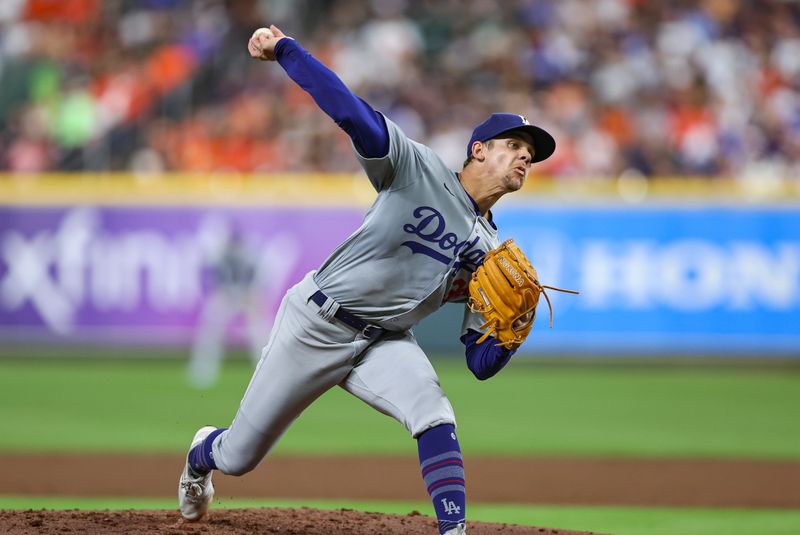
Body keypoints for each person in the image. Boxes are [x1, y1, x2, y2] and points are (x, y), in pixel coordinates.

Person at [178, 25, 556, 535]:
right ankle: (202, 454)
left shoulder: (492, 255)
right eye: (514, 145)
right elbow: (348, 110)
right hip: (316, 322)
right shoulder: (415, 167)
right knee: (240, 455)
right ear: (479, 150)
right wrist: (286, 50)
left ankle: (454, 531)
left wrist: (511, 335)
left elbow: (478, 362)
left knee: (435, 412)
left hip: (384, 341)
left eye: (530, 154)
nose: (525, 157)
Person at [188, 227, 268, 389]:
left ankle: (267, 371)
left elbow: (256, 280)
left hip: (246, 294)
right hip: (227, 294)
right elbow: (219, 280)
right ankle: (204, 369)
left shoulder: (249, 256)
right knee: (210, 328)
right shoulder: (223, 256)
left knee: (260, 332)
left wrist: (249, 297)